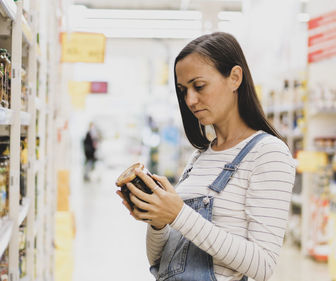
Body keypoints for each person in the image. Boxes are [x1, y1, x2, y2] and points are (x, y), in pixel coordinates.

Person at [116, 32, 295, 281]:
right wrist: (157, 220)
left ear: (235, 78)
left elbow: (262, 264)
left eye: (199, 86)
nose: (190, 100)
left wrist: (179, 215)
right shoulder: (199, 158)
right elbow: (160, 261)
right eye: (183, 90)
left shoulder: (269, 154)